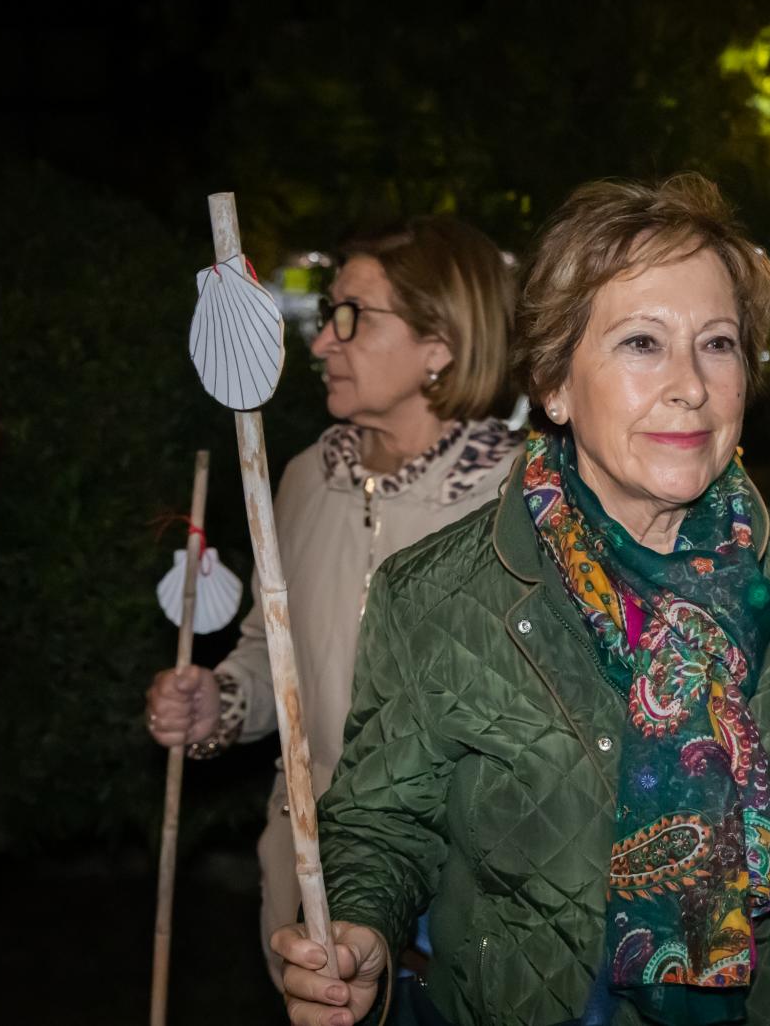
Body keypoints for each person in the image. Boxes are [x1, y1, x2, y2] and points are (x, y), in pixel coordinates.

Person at [273, 174, 770, 1026]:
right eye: (642, 343)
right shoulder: (438, 594)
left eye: (718, 344)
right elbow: (384, 822)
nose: (690, 383)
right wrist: (359, 927)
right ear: (554, 382)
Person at [144, 216, 523, 988]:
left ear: (440, 341)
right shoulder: (301, 479)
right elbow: (266, 651)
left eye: (352, 318)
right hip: (302, 893)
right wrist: (218, 701)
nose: (320, 344)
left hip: (457, 906)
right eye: (326, 318)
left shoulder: (518, 502)